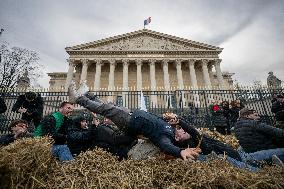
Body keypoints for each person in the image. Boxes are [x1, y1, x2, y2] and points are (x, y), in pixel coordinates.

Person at [68, 83, 201, 161]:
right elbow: (157, 119)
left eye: (185, 133)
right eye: (183, 129)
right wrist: (168, 118)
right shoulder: (168, 128)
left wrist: (180, 152)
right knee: (109, 106)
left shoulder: (166, 137)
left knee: (106, 109)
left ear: (179, 139)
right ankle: (88, 94)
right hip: (133, 115)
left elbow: (166, 146)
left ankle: (78, 99)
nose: (182, 130)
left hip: (130, 122)